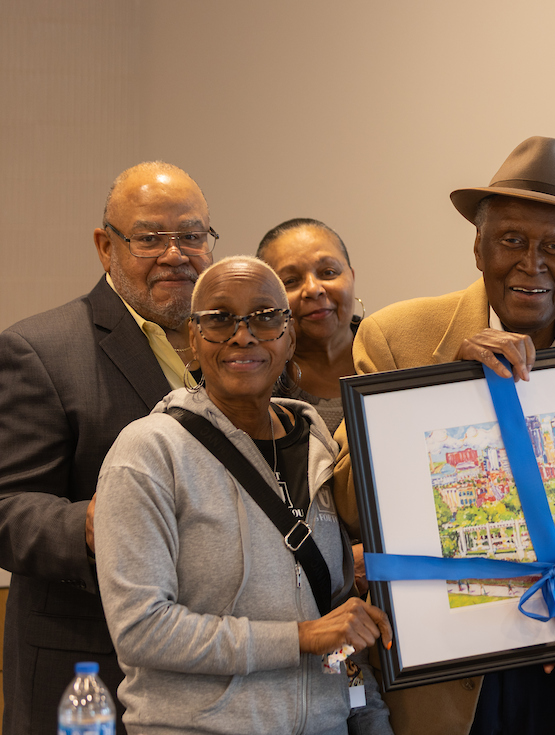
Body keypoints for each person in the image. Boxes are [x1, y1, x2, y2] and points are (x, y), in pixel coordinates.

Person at [333, 136, 555, 735]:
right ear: (477, 247)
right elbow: (349, 505)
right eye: (512, 241)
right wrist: (445, 383)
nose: (532, 265)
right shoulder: (397, 337)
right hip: (445, 674)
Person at [93, 256, 392, 734]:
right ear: (193, 337)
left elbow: (341, 629)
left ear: (290, 335)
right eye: (218, 318)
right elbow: (140, 630)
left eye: (265, 317)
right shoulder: (148, 452)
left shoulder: (318, 450)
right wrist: (299, 638)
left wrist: (369, 718)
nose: (242, 334)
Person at [0, 161, 214, 735]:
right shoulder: (40, 349)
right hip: (91, 671)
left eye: (192, 235)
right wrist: (95, 524)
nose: (175, 254)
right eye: (149, 238)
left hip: (214, 671)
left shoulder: (231, 348)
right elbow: (9, 508)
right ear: (105, 247)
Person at [257, 218, 362, 435]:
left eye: (328, 272)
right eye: (291, 281)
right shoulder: (255, 387)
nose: (313, 289)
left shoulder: (393, 359)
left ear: (351, 277)